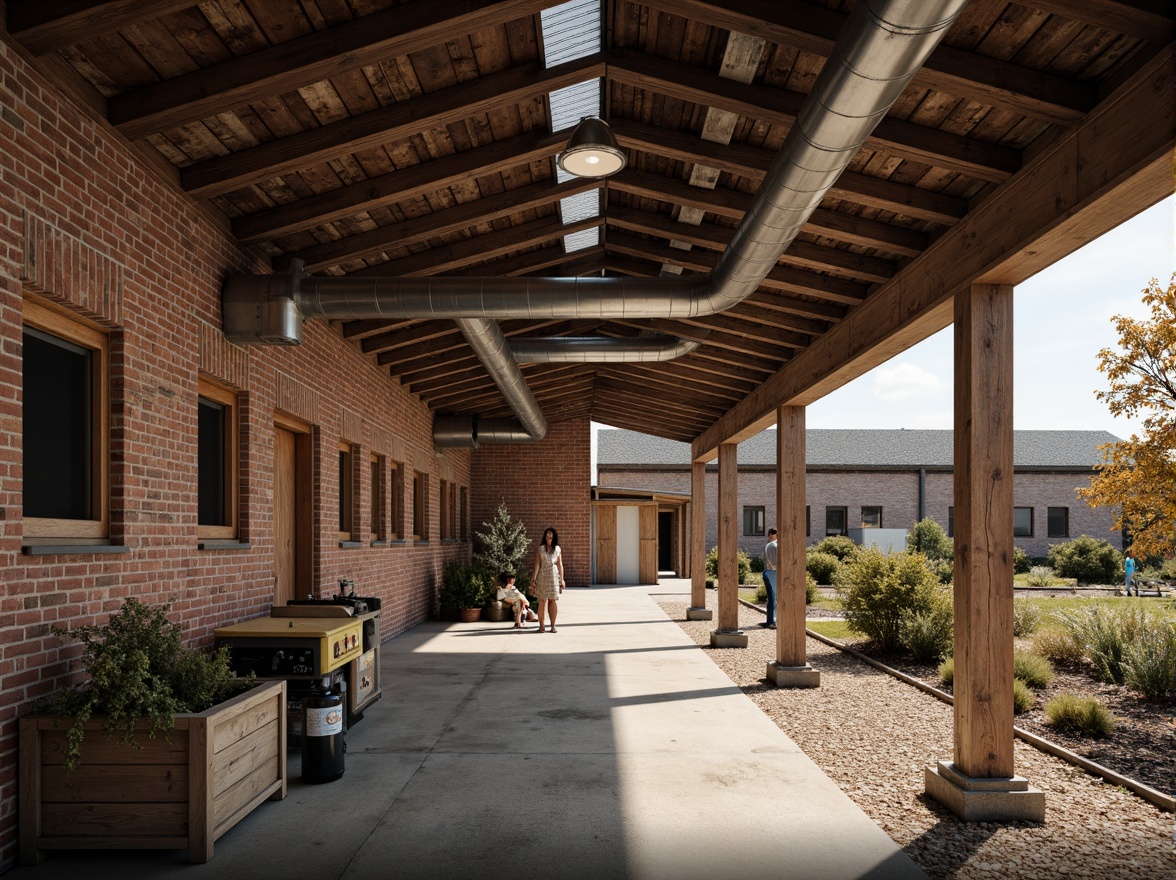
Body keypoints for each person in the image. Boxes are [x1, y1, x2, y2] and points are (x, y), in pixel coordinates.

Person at [530, 526, 565, 633]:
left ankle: (553, 626)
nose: (549, 537)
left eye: (551, 536)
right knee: (542, 600)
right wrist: (533, 581)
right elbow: (536, 566)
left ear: (554, 537)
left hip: (554, 576)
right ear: (545, 537)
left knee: (552, 600)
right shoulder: (540, 549)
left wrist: (562, 580)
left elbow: (560, 565)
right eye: (547, 535)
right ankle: (541, 626)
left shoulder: (557, 549)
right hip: (542, 575)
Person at [761, 528, 778, 630]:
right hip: (772, 573)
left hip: (767, 572)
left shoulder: (768, 545)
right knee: (774, 597)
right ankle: (772, 621)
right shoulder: (774, 546)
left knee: (771, 598)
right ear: (772, 534)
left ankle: (770, 620)